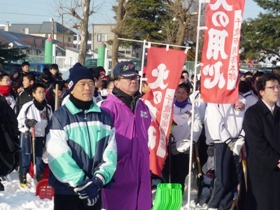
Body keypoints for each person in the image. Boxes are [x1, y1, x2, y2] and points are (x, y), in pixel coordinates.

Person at [46, 63, 117, 210]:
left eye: (91, 83)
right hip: (67, 190)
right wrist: (82, 182)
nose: (87, 88)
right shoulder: (60, 117)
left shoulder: (104, 117)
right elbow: (57, 155)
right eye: (82, 84)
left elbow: (111, 153)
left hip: (94, 189)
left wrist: (98, 180)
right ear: (71, 88)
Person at [101, 61, 151, 210]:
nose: (134, 81)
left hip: (141, 170)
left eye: (135, 77)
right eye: (129, 78)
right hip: (119, 172)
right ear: (116, 83)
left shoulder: (142, 106)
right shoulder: (109, 107)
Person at [243, 73, 280, 210]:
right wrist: (276, 161)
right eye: (272, 87)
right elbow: (257, 143)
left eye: (278, 86)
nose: (277, 90)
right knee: (263, 203)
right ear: (262, 92)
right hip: (262, 168)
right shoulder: (252, 113)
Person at [205, 94, 247, 210]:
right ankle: (213, 205)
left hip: (238, 141)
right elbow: (216, 122)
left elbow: (246, 119)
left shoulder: (242, 99)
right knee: (222, 179)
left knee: (234, 179)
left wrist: (241, 138)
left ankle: (225, 206)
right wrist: (228, 141)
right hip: (222, 142)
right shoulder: (216, 99)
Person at [162, 83, 202, 194]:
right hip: (168, 144)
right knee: (167, 170)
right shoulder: (170, 106)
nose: (180, 95)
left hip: (184, 144)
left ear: (188, 94)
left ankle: (177, 193)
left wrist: (192, 140)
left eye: (183, 92)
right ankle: (167, 191)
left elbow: (197, 124)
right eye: (178, 92)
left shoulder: (192, 108)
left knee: (181, 170)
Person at [17, 83, 53, 186]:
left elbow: (51, 122)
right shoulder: (27, 106)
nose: (42, 94)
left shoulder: (48, 108)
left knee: (40, 157)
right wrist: (27, 122)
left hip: (41, 136)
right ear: (34, 94)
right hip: (28, 135)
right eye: (39, 92)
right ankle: (23, 176)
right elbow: (19, 119)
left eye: (43, 92)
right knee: (26, 156)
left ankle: (39, 177)